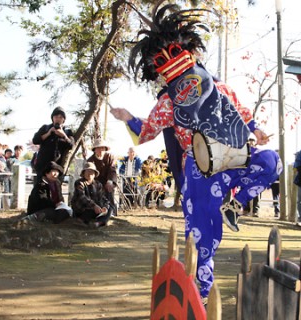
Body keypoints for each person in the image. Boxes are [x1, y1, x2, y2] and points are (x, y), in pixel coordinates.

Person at [109, 3, 281, 302]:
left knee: (271, 162)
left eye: (175, 53)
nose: (171, 62)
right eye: (163, 59)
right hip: (198, 168)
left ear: (190, 53)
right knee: (202, 233)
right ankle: (201, 292)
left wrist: (257, 130)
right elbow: (148, 129)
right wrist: (127, 117)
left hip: (232, 157)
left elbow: (241, 114)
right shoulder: (167, 102)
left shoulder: (221, 88)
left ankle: (236, 204)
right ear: (158, 70)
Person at [32, 106, 75, 183]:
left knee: (55, 191)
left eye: (60, 117)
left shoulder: (67, 132)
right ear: (52, 118)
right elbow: (35, 140)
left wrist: (63, 135)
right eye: (56, 116)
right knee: (39, 190)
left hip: (57, 168)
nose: (58, 119)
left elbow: (71, 145)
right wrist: (48, 133)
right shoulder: (45, 128)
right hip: (42, 166)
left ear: (64, 119)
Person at [71, 162, 112, 228]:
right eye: (87, 171)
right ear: (83, 173)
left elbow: (103, 197)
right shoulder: (79, 183)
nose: (89, 173)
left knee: (110, 209)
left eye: (92, 172)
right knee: (89, 210)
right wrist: (94, 206)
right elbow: (82, 197)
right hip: (82, 209)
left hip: (95, 209)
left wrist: (105, 207)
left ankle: (98, 223)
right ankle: (80, 220)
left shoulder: (98, 184)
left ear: (95, 174)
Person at [87, 139, 118, 216]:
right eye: (98, 148)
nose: (101, 150)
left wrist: (110, 181)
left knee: (109, 189)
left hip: (108, 180)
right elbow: (90, 173)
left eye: (103, 148)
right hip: (95, 182)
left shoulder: (110, 157)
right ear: (95, 150)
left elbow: (112, 169)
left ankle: (112, 211)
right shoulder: (90, 160)